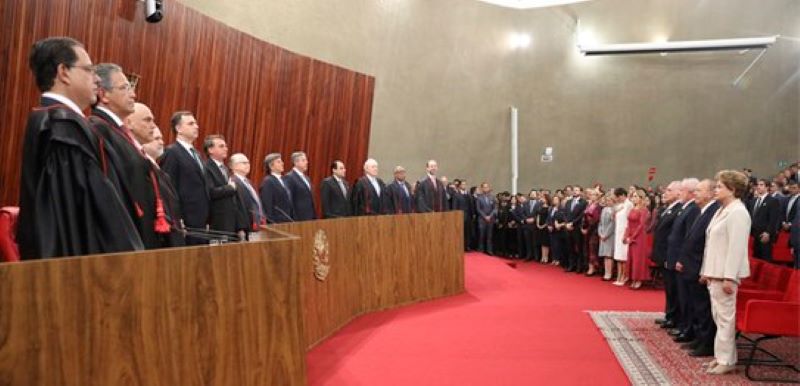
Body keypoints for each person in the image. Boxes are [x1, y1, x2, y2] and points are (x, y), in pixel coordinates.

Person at [17, 37, 143, 259]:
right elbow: (70, 219)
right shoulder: (62, 127)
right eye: (89, 70)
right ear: (64, 72)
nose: (96, 79)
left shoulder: (56, 120)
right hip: (74, 266)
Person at [89, 63, 163, 249]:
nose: (134, 95)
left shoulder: (118, 132)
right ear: (103, 94)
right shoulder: (99, 129)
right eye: (124, 88)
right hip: (125, 240)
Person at [700, 170, 751, 375]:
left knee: (725, 318)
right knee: (718, 317)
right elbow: (711, 243)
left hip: (725, 275)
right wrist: (706, 270)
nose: (716, 189)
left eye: (720, 186)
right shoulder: (722, 210)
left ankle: (727, 360)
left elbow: (736, 248)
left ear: (733, 189)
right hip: (715, 272)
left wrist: (730, 276)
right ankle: (720, 356)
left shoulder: (738, 212)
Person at [675, 179, 719, 358]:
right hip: (691, 264)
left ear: (709, 193)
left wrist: (704, 269)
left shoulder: (712, 211)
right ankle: (700, 338)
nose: (695, 194)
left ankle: (706, 343)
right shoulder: (703, 211)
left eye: (699, 191)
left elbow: (707, 243)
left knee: (703, 307)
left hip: (699, 265)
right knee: (696, 305)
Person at [160, 111, 210, 244]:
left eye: (196, 123)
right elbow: (168, 188)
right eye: (191, 123)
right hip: (185, 221)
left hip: (201, 220)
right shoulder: (172, 152)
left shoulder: (197, 154)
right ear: (178, 129)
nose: (197, 126)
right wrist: (177, 218)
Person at [667, 178, 700, 342]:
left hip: (684, 259)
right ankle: (683, 325)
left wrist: (681, 259)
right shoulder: (685, 208)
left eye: (683, 191)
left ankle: (687, 328)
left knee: (685, 297)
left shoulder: (692, 209)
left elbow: (688, 238)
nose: (681, 193)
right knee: (680, 294)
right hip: (676, 256)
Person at [141, 127, 186, 248]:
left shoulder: (160, 171)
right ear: (143, 144)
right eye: (156, 139)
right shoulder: (145, 168)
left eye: (161, 138)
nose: (162, 142)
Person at [203, 135, 246, 238]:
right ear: (210, 150)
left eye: (225, 146)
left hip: (231, 224)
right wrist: (230, 188)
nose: (225, 149)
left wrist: (239, 226)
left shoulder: (225, 169)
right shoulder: (206, 167)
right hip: (218, 224)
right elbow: (211, 192)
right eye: (221, 146)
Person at [653, 181, 682, 329]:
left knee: (673, 288)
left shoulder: (679, 209)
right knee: (669, 288)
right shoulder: (668, 208)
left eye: (669, 190)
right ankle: (669, 314)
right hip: (663, 254)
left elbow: (675, 235)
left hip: (669, 255)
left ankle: (673, 316)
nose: (665, 192)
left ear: (679, 193)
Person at [229, 153, 265, 233]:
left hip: (257, 224)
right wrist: (240, 228)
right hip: (245, 226)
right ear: (234, 166)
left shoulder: (248, 182)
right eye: (244, 163)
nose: (248, 165)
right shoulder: (233, 182)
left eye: (248, 162)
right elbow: (235, 207)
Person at [625, 189, 651, 289]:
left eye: (636, 196)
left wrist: (632, 237)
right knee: (631, 258)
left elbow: (641, 225)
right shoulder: (632, 209)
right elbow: (628, 224)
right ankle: (633, 278)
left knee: (638, 259)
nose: (633, 198)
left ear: (641, 198)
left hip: (639, 237)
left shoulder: (644, 210)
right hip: (631, 235)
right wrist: (627, 236)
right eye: (633, 196)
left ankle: (639, 279)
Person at [749, 179, 781, 261]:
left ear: (767, 187)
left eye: (761, 185)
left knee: (765, 259)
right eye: (758, 185)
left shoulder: (773, 201)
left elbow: (773, 219)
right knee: (755, 259)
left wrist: (768, 233)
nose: (758, 187)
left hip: (764, 235)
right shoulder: (753, 201)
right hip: (754, 235)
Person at [259, 153, 294, 223]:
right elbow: (267, 206)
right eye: (279, 162)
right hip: (277, 223)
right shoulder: (268, 181)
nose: (282, 163)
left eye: (281, 161)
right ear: (271, 166)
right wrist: (272, 223)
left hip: (288, 221)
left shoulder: (284, 180)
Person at [284, 151, 317, 221]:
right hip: (298, 218)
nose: (307, 162)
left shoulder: (307, 178)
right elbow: (290, 200)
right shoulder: (289, 177)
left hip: (310, 217)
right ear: (296, 162)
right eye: (304, 160)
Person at [612, 188, 633, 285]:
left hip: (625, 232)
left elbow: (629, 221)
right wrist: (615, 211)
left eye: (618, 196)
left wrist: (626, 234)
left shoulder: (629, 204)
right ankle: (619, 276)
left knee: (623, 256)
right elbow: (613, 218)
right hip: (618, 231)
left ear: (623, 195)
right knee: (618, 256)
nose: (617, 199)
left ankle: (624, 276)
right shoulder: (619, 205)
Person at [564, 186, 587, 273]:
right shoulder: (568, 202)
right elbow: (565, 213)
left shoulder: (583, 202)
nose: (575, 192)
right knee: (570, 247)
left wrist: (572, 223)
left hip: (576, 227)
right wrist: (566, 223)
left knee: (578, 247)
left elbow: (581, 215)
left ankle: (579, 266)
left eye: (577, 190)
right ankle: (571, 265)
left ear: (581, 192)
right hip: (568, 227)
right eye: (574, 190)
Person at [582, 188, 602, 276]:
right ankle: (589, 266)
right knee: (587, 248)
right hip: (587, 229)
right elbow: (584, 217)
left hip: (594, 230)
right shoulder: (589, 205)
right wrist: (583, 227)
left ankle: (593, 268)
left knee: (592, 248)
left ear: (597, 197)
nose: (592, 196)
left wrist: (588, 229)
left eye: (594, 195)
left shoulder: (599, 206)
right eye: (591, 195)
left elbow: (596, 220)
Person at [597, 193, 616, 280]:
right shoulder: (604, 209)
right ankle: (606, 272)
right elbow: (600, 222)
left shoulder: (614, 210)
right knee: (605, 255)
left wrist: (606, 234)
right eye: (607, 200)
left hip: (610, 235)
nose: (607, 202)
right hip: (603, 234)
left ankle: (609, 274)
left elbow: (613, 224)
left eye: (609, 200)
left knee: (609, 255)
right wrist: (600, 232)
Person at [476, 182, 496, 255]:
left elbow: (495, 208)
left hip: (490, 219)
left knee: (489, 236)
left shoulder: (492, 197)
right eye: (484, 187)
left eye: (487, 187)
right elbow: (478, 209)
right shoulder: (479, 198)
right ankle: (481, 250)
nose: (486, 188)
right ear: (482, 188)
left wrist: (490, 216)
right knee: (481, 235)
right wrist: (485, 216)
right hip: (482, 219)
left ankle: (489, 250)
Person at [535, 193, 552, 263]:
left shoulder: (550, 208)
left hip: (545, 226)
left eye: (543, 198)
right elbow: (538, 215)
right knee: (542, 243)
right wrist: (538, 224)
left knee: (546, 243)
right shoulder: (540, 206)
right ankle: (542, 257)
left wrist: (544, 225)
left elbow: (549, 218)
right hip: (540, 226)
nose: (542, 199)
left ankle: (546, 257)